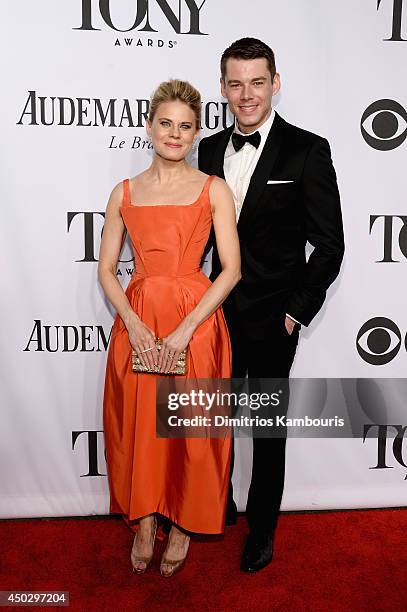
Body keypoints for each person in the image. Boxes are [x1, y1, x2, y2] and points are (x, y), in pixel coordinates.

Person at [199, 37, 345, 572]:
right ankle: (218, 507)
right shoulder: (208, 150)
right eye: (235, 84)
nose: (246, 94)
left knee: (265, 428)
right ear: (222, 89)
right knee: (212, 421)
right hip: (214, 316)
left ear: (274, 84)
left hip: (271, 319)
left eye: (257, 82)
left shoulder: (307, 149)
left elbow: (329, 245)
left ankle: (262, 529)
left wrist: (295, 310)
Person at [99, 79, 241, 577]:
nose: (174, 134)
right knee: (141, 429)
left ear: (198, 132)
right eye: (166, 123)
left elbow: (231, 270)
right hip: (139, 321)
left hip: (195, 323)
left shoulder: (212, 189)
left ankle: (181, 525)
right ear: (149, 126)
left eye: (185, 126)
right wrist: (133, 324)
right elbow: (105, 270)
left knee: (190, 432)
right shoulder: (125, 192)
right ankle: (144, 521)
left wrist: (185, 330)